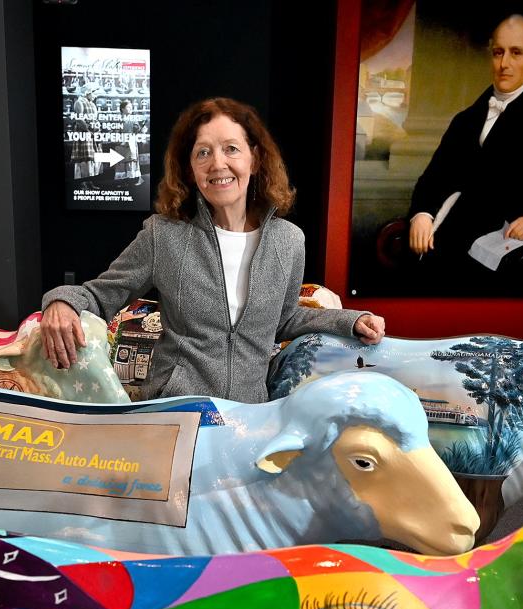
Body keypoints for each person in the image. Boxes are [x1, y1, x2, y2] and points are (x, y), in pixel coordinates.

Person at [41, 97, 385, 402]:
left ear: (255, 157)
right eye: (203, 152)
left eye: (231, 148)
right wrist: (61, 301)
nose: (217, 163)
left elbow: (283, 321)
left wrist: (349, 321)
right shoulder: (163, 235)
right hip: (177, 409)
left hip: (249, 415)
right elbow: (100, 295)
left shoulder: (289, 240)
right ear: (190, 170)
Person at [406, 14, 523, 290]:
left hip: (504, 252)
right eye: (498, 53)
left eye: (516, 53)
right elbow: (435, 176)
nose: (504, 64)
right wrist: (422, 215)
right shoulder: (465, 119)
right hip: (450, 236)